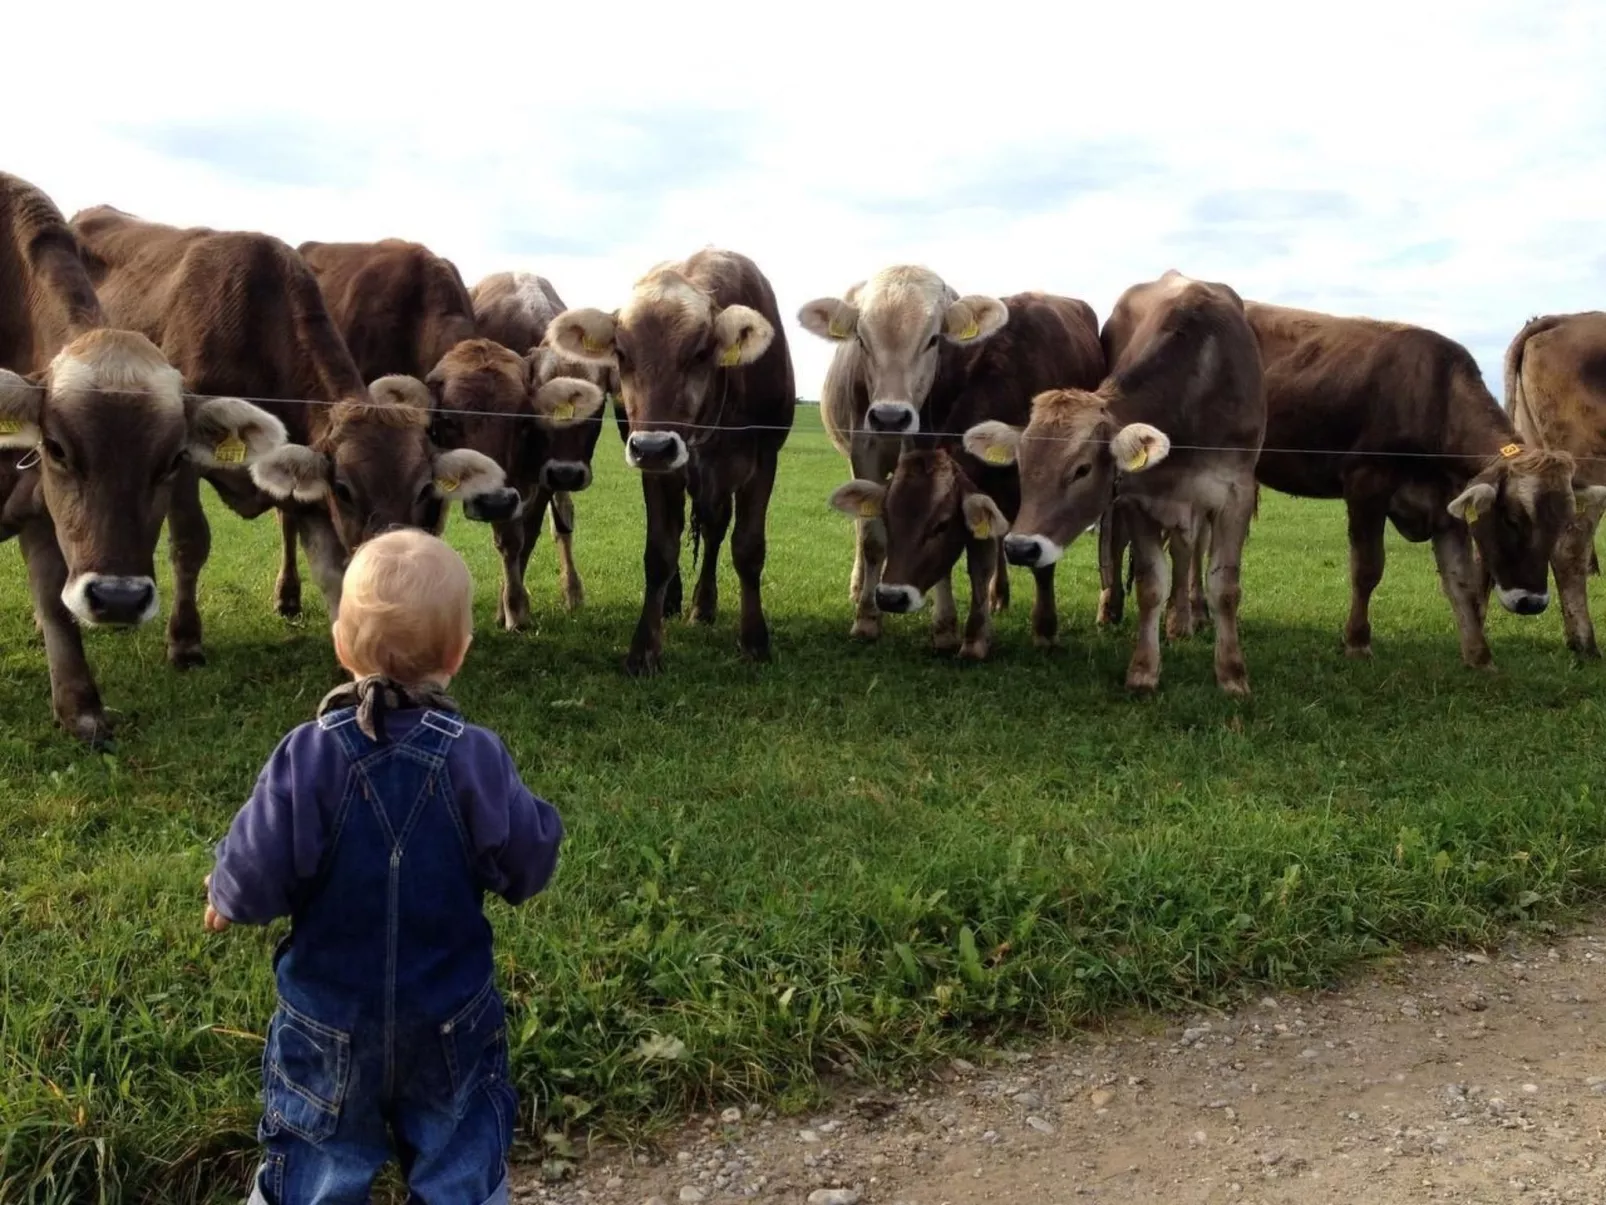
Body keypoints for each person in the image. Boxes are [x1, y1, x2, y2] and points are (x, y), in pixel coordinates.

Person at [204, 529, 564, 1205]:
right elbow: (527, 861)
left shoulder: (305, 755)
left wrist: (226, 891)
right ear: (460, 653)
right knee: (462, 1165)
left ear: (341, 646)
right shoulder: (475, 757)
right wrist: (540, 832)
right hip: (450, 1016)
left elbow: (256, 863)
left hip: (327, 1018)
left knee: (314, 1162)